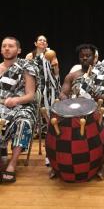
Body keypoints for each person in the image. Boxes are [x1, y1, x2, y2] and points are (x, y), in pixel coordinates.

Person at [59, 43, 104, 180]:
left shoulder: (103, 75)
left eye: (88, 56)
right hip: (74, 111)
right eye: (82, 56)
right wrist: (68, 101)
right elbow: (62, 93)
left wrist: (99, 97)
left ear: (94, 57)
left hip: (97, 110)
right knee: (56, 123)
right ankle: (56, 165)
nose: (85, 58)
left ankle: (103, 165)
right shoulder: (72, 76)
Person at [0, 36, 38, 183]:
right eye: (4, 46)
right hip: (2, 105)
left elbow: (30, 95)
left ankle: (12, 164)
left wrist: (15, 100)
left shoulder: (26, 67)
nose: (7, 48)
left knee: (24, 121)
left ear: (19, 50)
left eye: (11, 46)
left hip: (21, 105)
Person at [25, 35, 61, 137]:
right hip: (36, 86)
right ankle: (37, 131)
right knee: (37, 108)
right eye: (40, 40)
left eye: (45, 40)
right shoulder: (30, 56)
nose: (42, 42)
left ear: (47, 44)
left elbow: (56, 73)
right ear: (35, 43)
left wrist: (55, 64)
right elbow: (26, 73)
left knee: (49, 108)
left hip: (50, 87)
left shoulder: (51, 54)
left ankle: (51, 130)